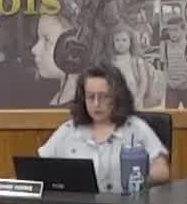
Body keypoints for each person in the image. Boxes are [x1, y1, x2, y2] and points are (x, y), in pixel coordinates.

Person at [37, 64, 170, 192]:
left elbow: (162, 171)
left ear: (117, 97)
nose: (96, 103)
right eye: (90, 97)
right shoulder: (68, 130)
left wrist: (139, 180)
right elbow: (39, 169)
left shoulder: (137, 128)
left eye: (104, 97)